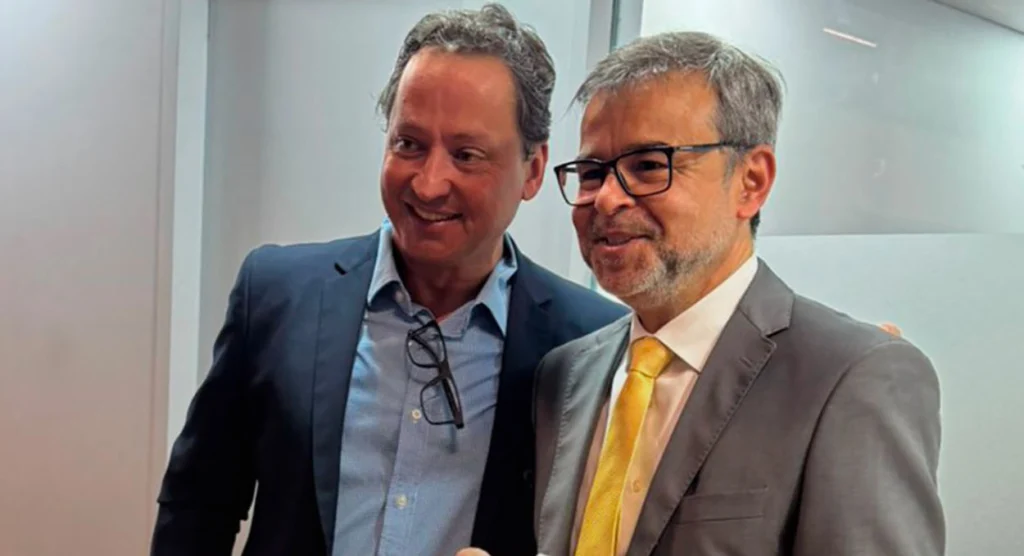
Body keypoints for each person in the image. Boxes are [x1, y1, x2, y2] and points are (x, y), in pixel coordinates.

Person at [150, 5, 626, 556]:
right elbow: (198, 502)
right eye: (409, 144)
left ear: (534, 170)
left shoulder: (592, 344)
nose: (428, 184)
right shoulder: (278, 296)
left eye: (466, 155)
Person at [527, 32, 945, 555]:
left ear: (751, 181)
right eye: (592, 173)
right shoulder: (565, 374)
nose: (607, 199)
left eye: (649, 165)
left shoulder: (850, 378)